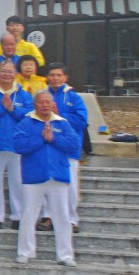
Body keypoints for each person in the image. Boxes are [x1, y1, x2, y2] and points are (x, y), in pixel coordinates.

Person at [13, 90, 79, 267]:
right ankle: (25, 251)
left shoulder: (62, 123)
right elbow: (19, 145)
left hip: (58, 176)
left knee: (62, 217)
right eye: (41, 102)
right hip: (34, 176)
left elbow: (74, 145)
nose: (44, 105)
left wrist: (53, 138)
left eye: (47, 102)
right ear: (35, 105)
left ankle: (65, 254)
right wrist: (42, 139)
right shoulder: (26, 123)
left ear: (52, 104)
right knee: (28, 215)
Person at [0, 59, 34, 231]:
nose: (6, 74)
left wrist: (12, 109)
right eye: (3, 71)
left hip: (17, 144)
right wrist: (2, 107)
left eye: (10, 71)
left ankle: (18, 216)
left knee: (18, 183)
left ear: (15, 74)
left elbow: (29, 115)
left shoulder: (23, 94)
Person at [44, 63, 89, 232]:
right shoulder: (42, 95)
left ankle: (71, 219)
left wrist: (60, 114)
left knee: (70, 186)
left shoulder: (73, 97)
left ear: (65, 78)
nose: (55, 78)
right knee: (47, 182)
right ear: (47, 77)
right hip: (47, 148)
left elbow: (81, 121)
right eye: (52, 75)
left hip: (69, 148)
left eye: (58, 75)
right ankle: (48, 216)